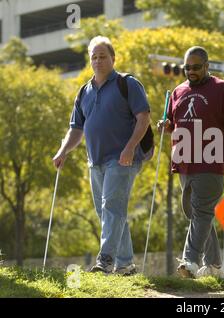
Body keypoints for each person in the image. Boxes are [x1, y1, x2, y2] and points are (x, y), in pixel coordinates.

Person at [52, 36, 151, 275]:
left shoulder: (127, 84)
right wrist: (62, 151)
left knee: (112, 207)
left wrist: (129, 148)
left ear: (113, 58)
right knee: (108, 212)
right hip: (94, 161)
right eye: (94, 57)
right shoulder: (83, 92)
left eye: (103, 56)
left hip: (122, 158)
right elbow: (76, 129)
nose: (98, 60)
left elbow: (144, 118)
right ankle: (126, 264)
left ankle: (105, 261)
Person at [158, 46, 224, 278]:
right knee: (197, 213)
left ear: (207, 66)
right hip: (183, 164)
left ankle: (189, 261)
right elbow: (173, 123)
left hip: (210, 162)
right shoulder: (178, 91)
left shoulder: (222, 89)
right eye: (187, 67)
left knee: (201, 212)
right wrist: (166, 127)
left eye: (196, 67)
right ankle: (214, 265)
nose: (191, 71)